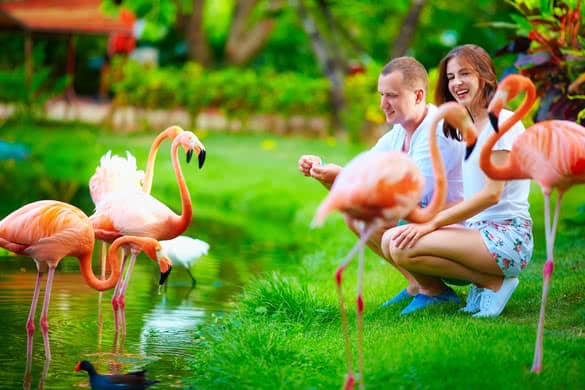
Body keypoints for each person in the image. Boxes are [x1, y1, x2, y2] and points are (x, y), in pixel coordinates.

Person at [298, 56, 465, 306]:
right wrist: (322, 171)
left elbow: (407, 200)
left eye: (392, 96)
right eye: (381, 95)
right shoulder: (400, 131)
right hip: (424, 223)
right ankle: (418, 285)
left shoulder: (437, 131)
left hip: (458, 231)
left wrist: (342, 178)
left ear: (418, 96)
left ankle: (435, 293)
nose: (383, 104)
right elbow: (363, 176)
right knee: (355, 216)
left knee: (382, 217)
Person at [381, 44, 533, 317]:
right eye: (451, 77)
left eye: (465, 74)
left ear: (484, 76)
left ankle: (493, 282)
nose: (456, 83)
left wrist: (433, 223)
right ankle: (483, 282)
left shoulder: (503, 122)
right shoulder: (466, 129)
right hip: (477, 232)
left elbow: (491, 194)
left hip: (507, 237)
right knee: (391, 240)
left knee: (403, 246)